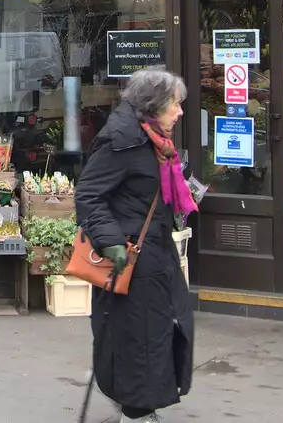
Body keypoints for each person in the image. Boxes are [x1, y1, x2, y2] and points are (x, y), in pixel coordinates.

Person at [75, 68, 197, 423]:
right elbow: (89, 194)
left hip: (156, 251)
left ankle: (139, 401)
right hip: (130, 257)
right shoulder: (122, 140)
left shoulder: (155, 141)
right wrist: (110, 240)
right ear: (154, 105)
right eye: (175, 104)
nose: (180, 112)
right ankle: (137, 409)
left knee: (161, 328)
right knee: (139, 334)